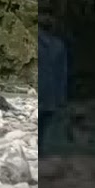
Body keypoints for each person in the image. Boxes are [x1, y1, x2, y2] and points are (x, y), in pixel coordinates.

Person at [38, 12, 70, 156]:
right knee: (43, 120)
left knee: (44, 120)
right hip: (48, 89)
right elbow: (62, 73)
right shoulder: (57, 44)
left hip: (48, 89)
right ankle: (40, 148)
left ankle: (40, 147)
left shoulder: (58, 44)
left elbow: (62, 72)